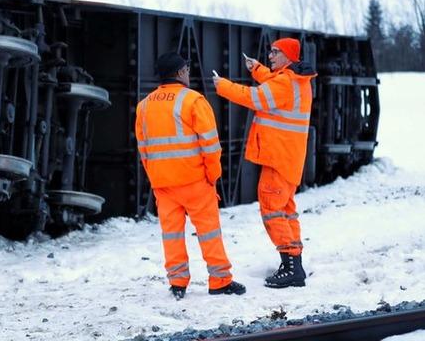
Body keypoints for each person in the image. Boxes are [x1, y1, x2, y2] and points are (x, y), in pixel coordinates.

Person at [135, 52, 246, 300]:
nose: (188, 73)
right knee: (209, 232)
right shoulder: (193, 101)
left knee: (171, 234)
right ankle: (220, 280)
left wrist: (155, 177)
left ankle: (177, 282)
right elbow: (211, 145)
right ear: (179, 73)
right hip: (195, 181)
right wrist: (212, 176)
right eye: (186, 69)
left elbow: (144, 149)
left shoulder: (144, 106)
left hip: (163, 184)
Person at [212, 38, 316, 288]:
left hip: (278, 158)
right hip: (287, 158)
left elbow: (256, 98)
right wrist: (256, 68)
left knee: (272, 210)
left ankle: (291, 266)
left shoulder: (285, 82)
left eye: (275, 52)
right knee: (286, 211)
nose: (270, 56)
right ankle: (294, 264)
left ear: (288, 56)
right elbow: (272, 82)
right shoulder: (294, 79)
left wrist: (222, 86)